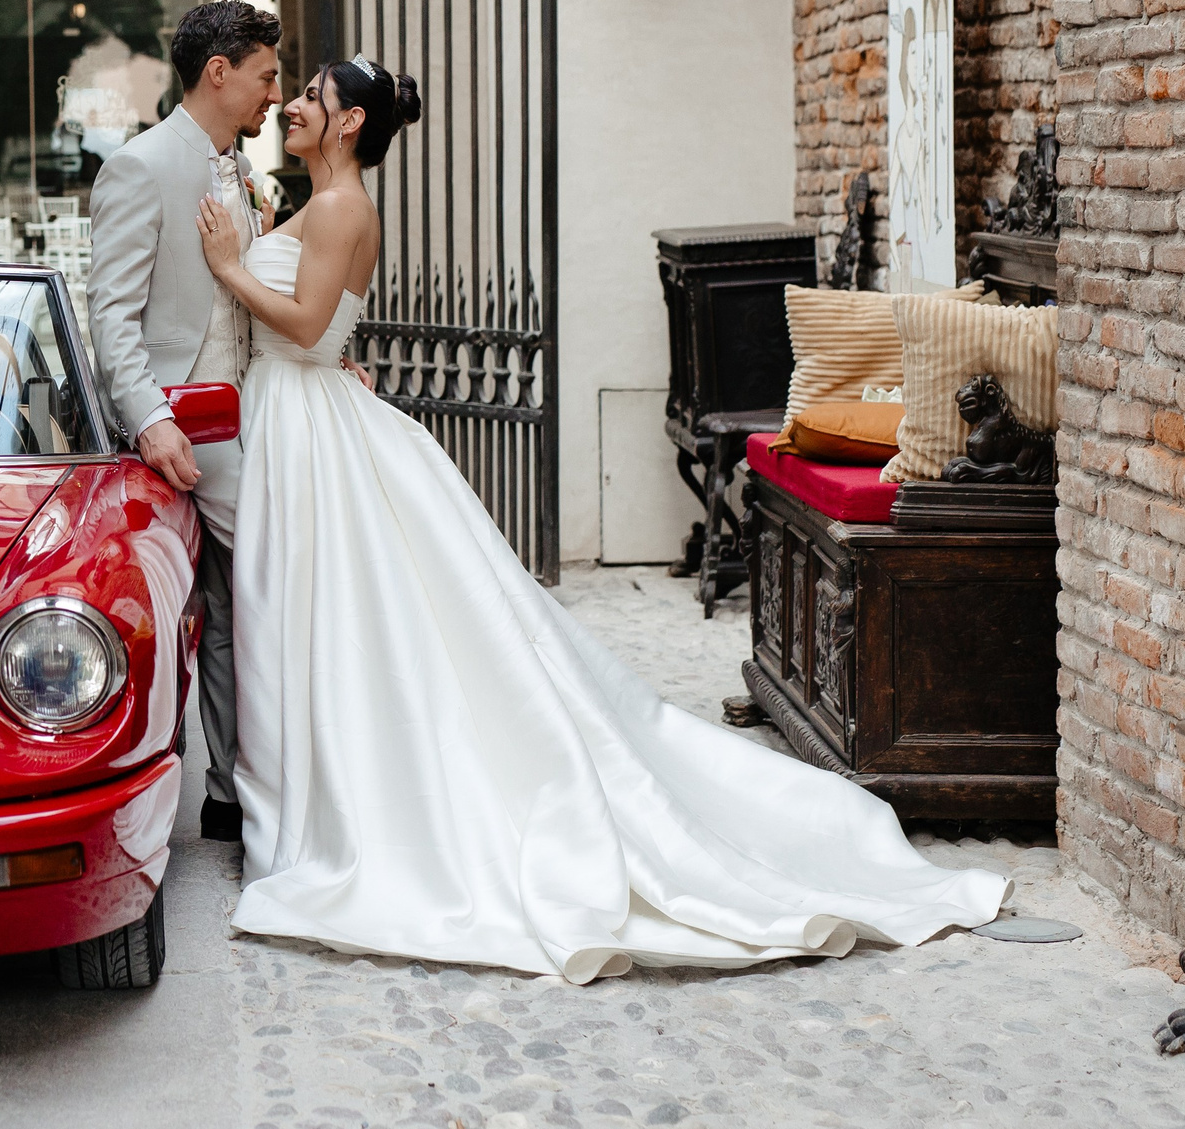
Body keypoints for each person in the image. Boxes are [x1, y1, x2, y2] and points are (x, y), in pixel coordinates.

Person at [194, 56, 1006, 981]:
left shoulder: (343, 207)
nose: (293, 105)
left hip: (306, 423)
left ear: (347, 125)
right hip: (303, 415)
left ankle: (348, 801)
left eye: (311, 97)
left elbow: (304, 327)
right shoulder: (318, 204)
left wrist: (230, 265)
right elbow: (328, 324)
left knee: (335, 616)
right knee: (323, 616)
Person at [87, 0, 282, 844]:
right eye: (268, 75)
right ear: (220, 72)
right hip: (189, 428)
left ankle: (234, 792)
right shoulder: (140, 167)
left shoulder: (238, 167)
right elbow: (111, 318)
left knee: (238, 608)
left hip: (251, 412)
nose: (276, 92)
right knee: (274, 583)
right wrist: (151, 421)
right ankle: (256, 781)